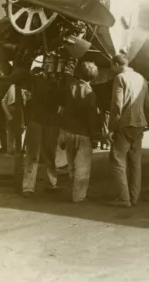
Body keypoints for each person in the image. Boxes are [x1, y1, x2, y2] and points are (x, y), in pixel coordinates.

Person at [107, 53, 149, 208]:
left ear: (117, 64)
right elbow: (147, 105)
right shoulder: (141, 78)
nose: (111, 69)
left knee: (117, 160)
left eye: (112, 66)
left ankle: (124, 198)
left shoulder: (120, 78)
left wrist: (111, 128)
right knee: (135, 162)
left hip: (124, 125)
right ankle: (134, 197)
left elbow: (116, 106)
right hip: (139, 124)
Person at [58, 62, 101, 203]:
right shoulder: (90, 93)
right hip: (83, 134)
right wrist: (95, 136)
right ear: (93, 77)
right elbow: (92, 118)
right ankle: (78, 196)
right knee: (82, 167)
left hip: (68, 131)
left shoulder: (70, 86)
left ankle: (74, 191)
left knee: (71, 165)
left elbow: (62, 108)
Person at [22, 68, 60, 197]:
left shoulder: (35, 82)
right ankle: (49, 182)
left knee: (37, 154)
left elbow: (28, 104)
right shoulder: (52, 83)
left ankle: (30, 186)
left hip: (40, 121)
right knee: (46, 154)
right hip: (45, 122)